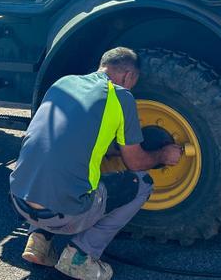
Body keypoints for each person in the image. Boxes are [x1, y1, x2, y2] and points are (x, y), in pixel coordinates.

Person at [9, 47, 183, 280]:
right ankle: (80, 256)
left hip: (19, 200)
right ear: (128, 76)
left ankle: (38, 241)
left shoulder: (63, 83)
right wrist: (163, 155)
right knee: (141, 183)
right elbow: (136, 162)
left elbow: (65, 139)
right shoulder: (120, 96)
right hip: (65, 214)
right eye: (133, 82)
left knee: (54, 162)